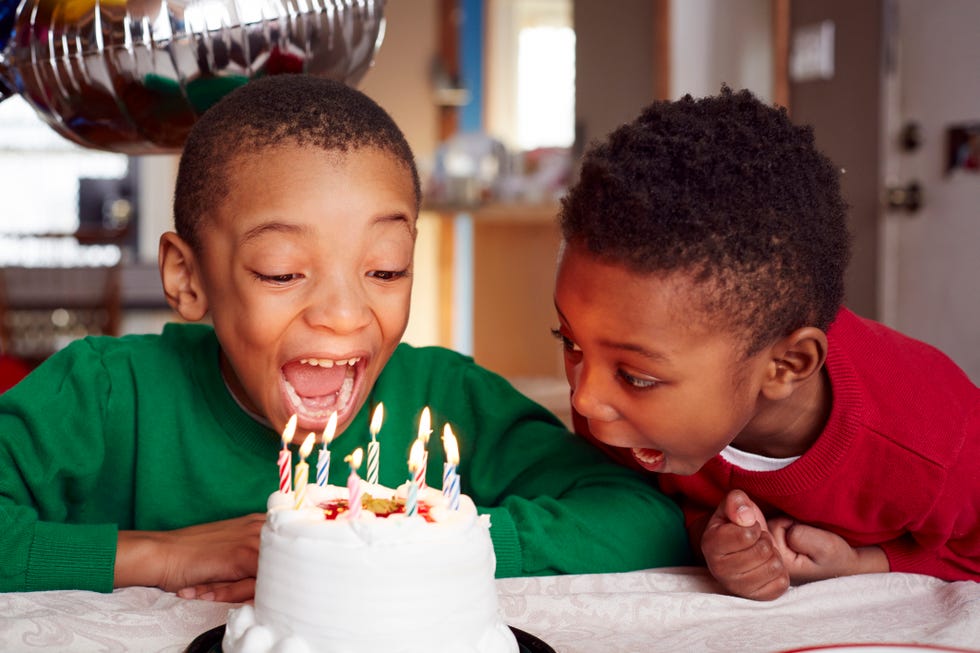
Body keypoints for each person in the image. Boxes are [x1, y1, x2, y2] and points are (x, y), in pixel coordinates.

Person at [0, 74, 690, 600]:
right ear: (189, 277)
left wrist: (417, 545)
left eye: (385, 268)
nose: (343, 313)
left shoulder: (445, 397)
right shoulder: (106, 392)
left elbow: (641, 517)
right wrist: (165, 555)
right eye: (282, 272)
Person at [552, 86, 980, 601]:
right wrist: (706, 536)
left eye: (636, 376)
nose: (583, 398)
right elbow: (638, 501)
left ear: (786, 365)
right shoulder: (615, 410)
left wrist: (867, 562)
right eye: (569, 341)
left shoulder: (934, 444)